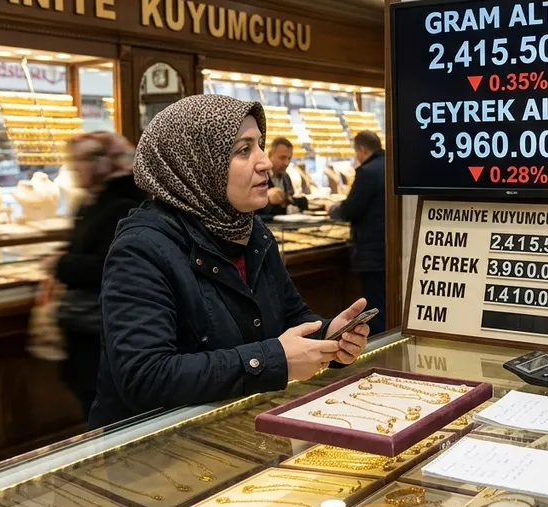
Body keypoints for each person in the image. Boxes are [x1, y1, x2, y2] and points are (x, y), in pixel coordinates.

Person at [90, 95, 371, 428]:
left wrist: (329, 335)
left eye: (259, 146)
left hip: (234, 430)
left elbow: (291, 317)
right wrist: (274, 360)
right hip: (154, 448)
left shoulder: (252, 233)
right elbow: (145, 376)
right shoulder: (142, 249)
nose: (264, 162)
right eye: (243, 150)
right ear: (197, 163)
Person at [50, 131, 147, 418]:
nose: (75, 168)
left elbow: (107, 266)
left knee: (105, 410)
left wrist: (61, 264)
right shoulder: (92, 201)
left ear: (102, 162)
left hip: (102, 331)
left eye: (81, 160)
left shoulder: (120, 205)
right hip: (90, 329)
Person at [327, 131, 386, 335]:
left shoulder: (367, 172)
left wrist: (333, 210)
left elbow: (351, 209)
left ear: (361, 149)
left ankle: (379, 348)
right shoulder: (390, 166)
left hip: (371, 253)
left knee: (376, 309)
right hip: (389, 251)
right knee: (385, 305)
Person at [257, 137, 304, 218]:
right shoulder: (258, 175)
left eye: (289, 158)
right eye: (282, 157)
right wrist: (267, 198)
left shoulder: (286, 177)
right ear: (270, 155)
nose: (286, 163)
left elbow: (289, 200)